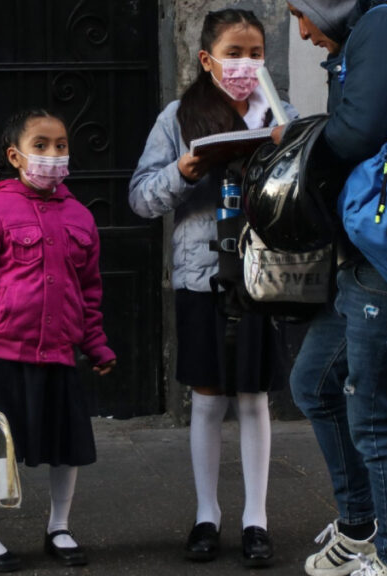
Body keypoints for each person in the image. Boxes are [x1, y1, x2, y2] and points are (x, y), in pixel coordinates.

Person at [276, 2, 387, 576]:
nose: (303, 33)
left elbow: (356, 132)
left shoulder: (383, 25)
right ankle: (360, 527)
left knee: (379, 420)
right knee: (313, 382)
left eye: (302, 14)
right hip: (370, 250)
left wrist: (298, 138)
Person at [129, 8, 298, 568]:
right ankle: (207, 515)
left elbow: (304, 194)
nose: (246, 64)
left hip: (260, 273)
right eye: (235, 53)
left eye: (255, 54)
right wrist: (183, 171)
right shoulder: (178, 117)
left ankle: (257, 518)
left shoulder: (279, 112)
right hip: (200, 273)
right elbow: (141, 197)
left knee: (253, 395)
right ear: (207, 59)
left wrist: (282, 150)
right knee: (207, 396)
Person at [0, 109, 117, 572]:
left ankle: (59, 526)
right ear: (15, 156)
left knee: (67, 445)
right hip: (5, 353)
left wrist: (96, 344)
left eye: (60, 145)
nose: (52, 154)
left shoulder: (80, 217)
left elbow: (89, 291)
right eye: (40, 145)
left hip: (61, 352)